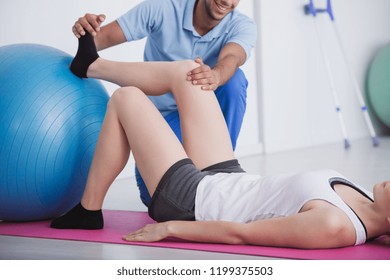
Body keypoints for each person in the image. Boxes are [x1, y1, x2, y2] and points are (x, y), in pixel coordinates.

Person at [51, 34, 390, 249]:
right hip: (228, 178)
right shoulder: (365, 196)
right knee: (188, 73)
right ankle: (92, 66)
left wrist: (170, 228)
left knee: (127, 98)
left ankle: (88, 210)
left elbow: (240, 234)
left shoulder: (335, 226)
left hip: (193, 200)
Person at [72, 0, 257, 206]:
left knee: (233, 80)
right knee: (132, 95)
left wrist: (216, 75)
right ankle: (92, 66)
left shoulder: (242, 25)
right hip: (159, 122)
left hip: (206, 130)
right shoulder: (163, 7)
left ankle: (219, 172)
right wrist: (86, 30)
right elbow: (98, 40)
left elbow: (232, 57)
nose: (228, 1)